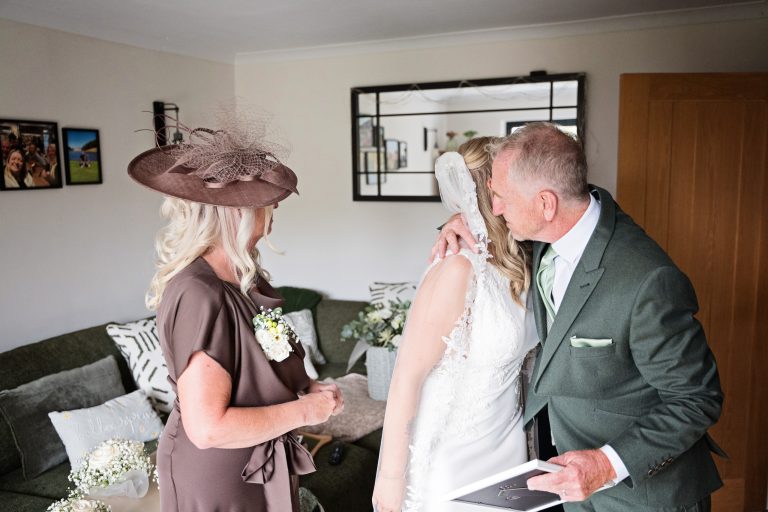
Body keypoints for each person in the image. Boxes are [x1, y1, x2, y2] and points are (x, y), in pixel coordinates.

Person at [434, 122, 724, 511]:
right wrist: (458, 223)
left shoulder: (647, 280)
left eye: (500, 197)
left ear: (546, 203)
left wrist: (606, 464)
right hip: (568, 483)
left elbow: (696, 399)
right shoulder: (546, 234)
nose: (496, 209)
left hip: (643, 495)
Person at [128, 116, 344, 512]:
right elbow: (208, 428)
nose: (275, 204)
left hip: (258, 457)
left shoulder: (248, 278)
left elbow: (259, 370)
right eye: (264, 197)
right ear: (232, 211)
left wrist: (307, 389)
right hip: (219, 473)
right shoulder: (198, 292)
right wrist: (304, 411)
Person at [372, 137, 537, 512]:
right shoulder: (457, 268)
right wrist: (391, 479)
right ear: (491, 192)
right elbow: (406, 378)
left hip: (507, 450)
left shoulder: (522, 259)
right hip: (452, 460)